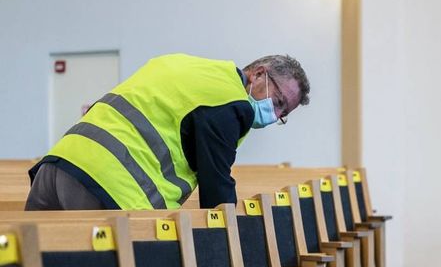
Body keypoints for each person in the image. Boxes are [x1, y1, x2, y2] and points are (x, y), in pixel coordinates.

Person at [25, 53, 310, 211]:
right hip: (109, 187)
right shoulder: (232, 103)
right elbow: (217, 189)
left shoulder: (186, 66)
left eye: (284, 114)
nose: (276, 115)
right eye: (278, 101)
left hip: (58, 165)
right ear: (259, 73)